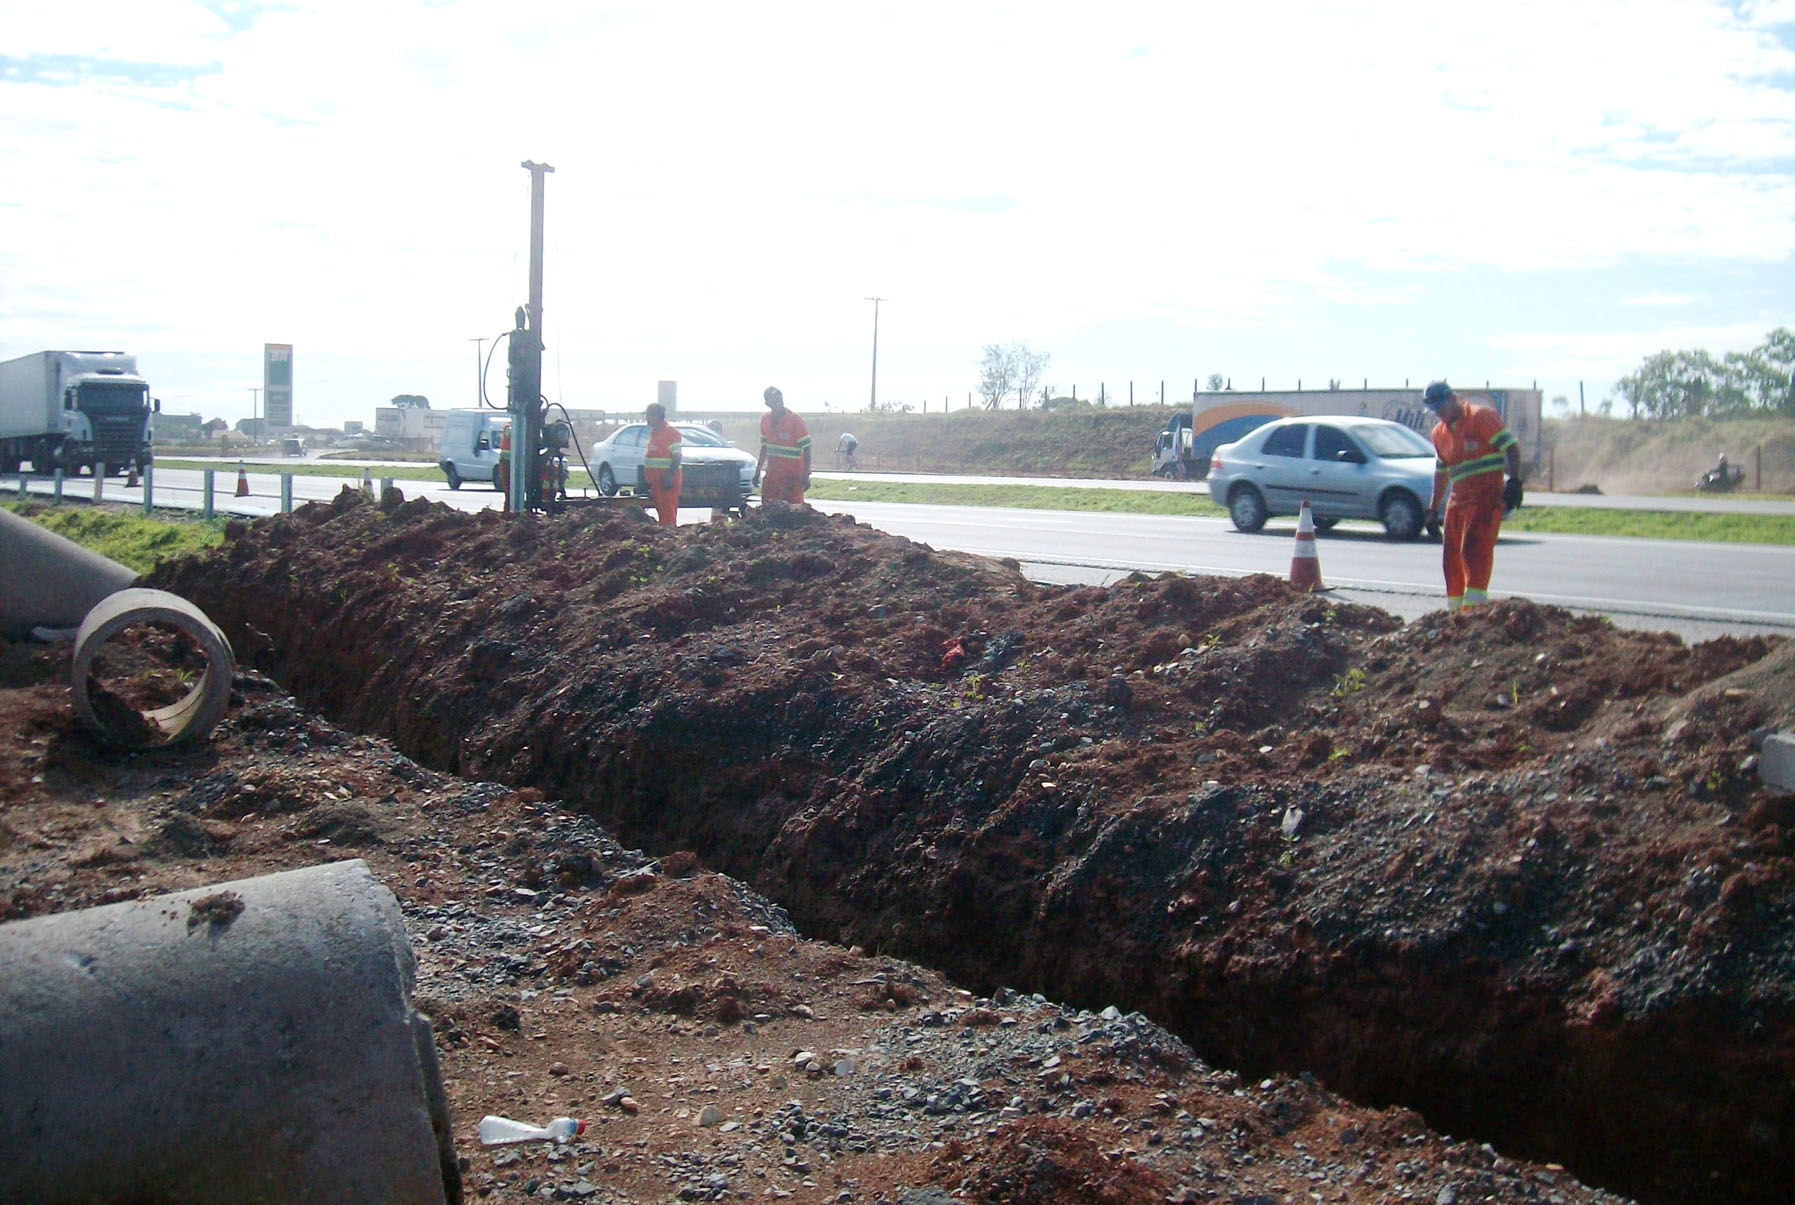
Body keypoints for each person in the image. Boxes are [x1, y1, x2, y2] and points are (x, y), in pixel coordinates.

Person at [1423, 381, 1522, 612]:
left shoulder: (1481, 417)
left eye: (1442, 407)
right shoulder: (1439, 434)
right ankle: (1455, 613)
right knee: (1451, 558)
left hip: (1486, 498)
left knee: (1474, 551)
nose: (1440, 414)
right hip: (1458, 501)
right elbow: (1442, 471)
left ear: (1454, 398)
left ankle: (1473, 613)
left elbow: (1511, 447)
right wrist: (1432, 509)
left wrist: (1515, 481)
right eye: (1435, 410)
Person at [753, 386, 812, 503]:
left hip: (791, 477)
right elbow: (764, 448)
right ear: (767, 403)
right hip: (773, 477)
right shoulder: (765, 420)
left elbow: (807, 449)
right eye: (774, 401)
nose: (778, 404)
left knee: (794, 510)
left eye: (779, 400)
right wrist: (757, 471)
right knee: (768, 509)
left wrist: (806, 474)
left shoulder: (795, 420)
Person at [643, 403, 682, 526]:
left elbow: (677, 456)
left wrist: (670, 476)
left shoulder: (670, 432)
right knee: (661, 511)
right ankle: (664, 534)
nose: (646, 419)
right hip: (657, 481)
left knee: (668, 511)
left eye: (648, 415)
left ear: (656, 416)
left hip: (667, 480)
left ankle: (669, 535)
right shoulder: (654, 432)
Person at [497, 422, 512, 512]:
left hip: (520, 461)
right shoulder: (508, 427)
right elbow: (512, 433)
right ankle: (507, 512)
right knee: (508, 490)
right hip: (507, 461)